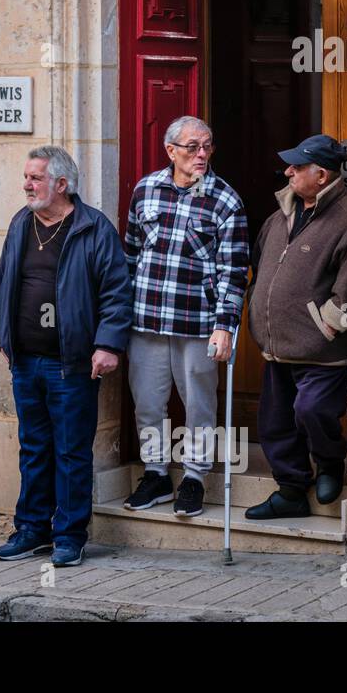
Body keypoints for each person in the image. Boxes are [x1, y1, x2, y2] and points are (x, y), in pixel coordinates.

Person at [0, 146, 134, 567]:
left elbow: (116, 292)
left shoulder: (93, 228)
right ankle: (32, 529)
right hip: (26, 361)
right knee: (33, 447)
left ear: (62, 185)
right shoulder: (22, 223)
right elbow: (4, 284)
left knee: (71, 451)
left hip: (70, 364)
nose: (27, 184)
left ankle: (69, 536)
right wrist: (2, 333)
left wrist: (108, 344)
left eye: (35, 177)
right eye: (27, 176)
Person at [121, 116, 249, 517]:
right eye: (192, 147)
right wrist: (118, 317)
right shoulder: (145, 191)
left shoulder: (226, 201)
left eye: (207, 146)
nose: (202, 154)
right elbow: (129, 256)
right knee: (147, 403)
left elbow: (234, 272)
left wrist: (225, 326)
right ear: (171, 150)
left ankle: (194, 476)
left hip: (197, 323)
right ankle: (156, 473)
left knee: (198, 405)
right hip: (146, 321)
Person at [244, 134, 347, 519]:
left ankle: (330, 463)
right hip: (276, 345)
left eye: (297, 167)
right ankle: (292, 491)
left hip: (322, 350)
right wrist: (256, 309)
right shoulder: (279, 215)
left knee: (312, 410)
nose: (288, 172)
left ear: (322, 174)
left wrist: (324, 329)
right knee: (275, 422)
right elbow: (261, 263)